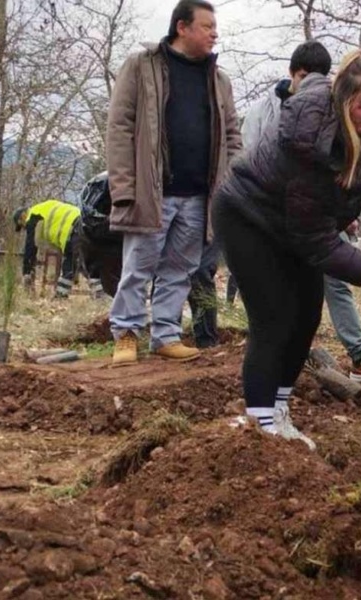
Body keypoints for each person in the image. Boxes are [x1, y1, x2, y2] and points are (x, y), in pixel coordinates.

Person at [213, 52, 361, 450]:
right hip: (249, 218)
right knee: (274, 319)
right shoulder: (311, 140)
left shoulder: (358, 135)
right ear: (344, 100)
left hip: (291, 223)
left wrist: (344, 210)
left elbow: (319, 213)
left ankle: (278, 411)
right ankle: (261, 427)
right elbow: (312, 236)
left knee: (307, 315)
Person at [239, 41, 361, 386]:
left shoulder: (349, 122)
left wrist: (342, 212)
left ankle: (359, 354)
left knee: (331, 285)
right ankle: (273, 373)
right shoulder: (270, 113)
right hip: (272, 220)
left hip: (315, 218)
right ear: (296, 75)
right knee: (280, 302)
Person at [106, 0, 241, 366]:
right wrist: (124, 187)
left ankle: (164, 335)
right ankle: (126, 333)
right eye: (207, 26)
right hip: (152, 191)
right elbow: (120, 128)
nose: (215, 33)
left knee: (180, 270)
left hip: (199, 195)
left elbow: (231, 136)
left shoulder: (218, 78)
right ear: (182, 27)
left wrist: (225, 187)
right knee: (138, 267)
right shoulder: (142, 66)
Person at [13, 200, 101, 299]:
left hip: (72, 229)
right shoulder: (43, 208)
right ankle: (60, 296)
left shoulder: (33, 216)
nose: (25, 229)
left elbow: (31, 247)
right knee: (72, 264)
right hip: (83, 222)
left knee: (85, 263)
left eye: (22, 226)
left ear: (23, 216)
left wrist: (27, 272)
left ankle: (102, 296)